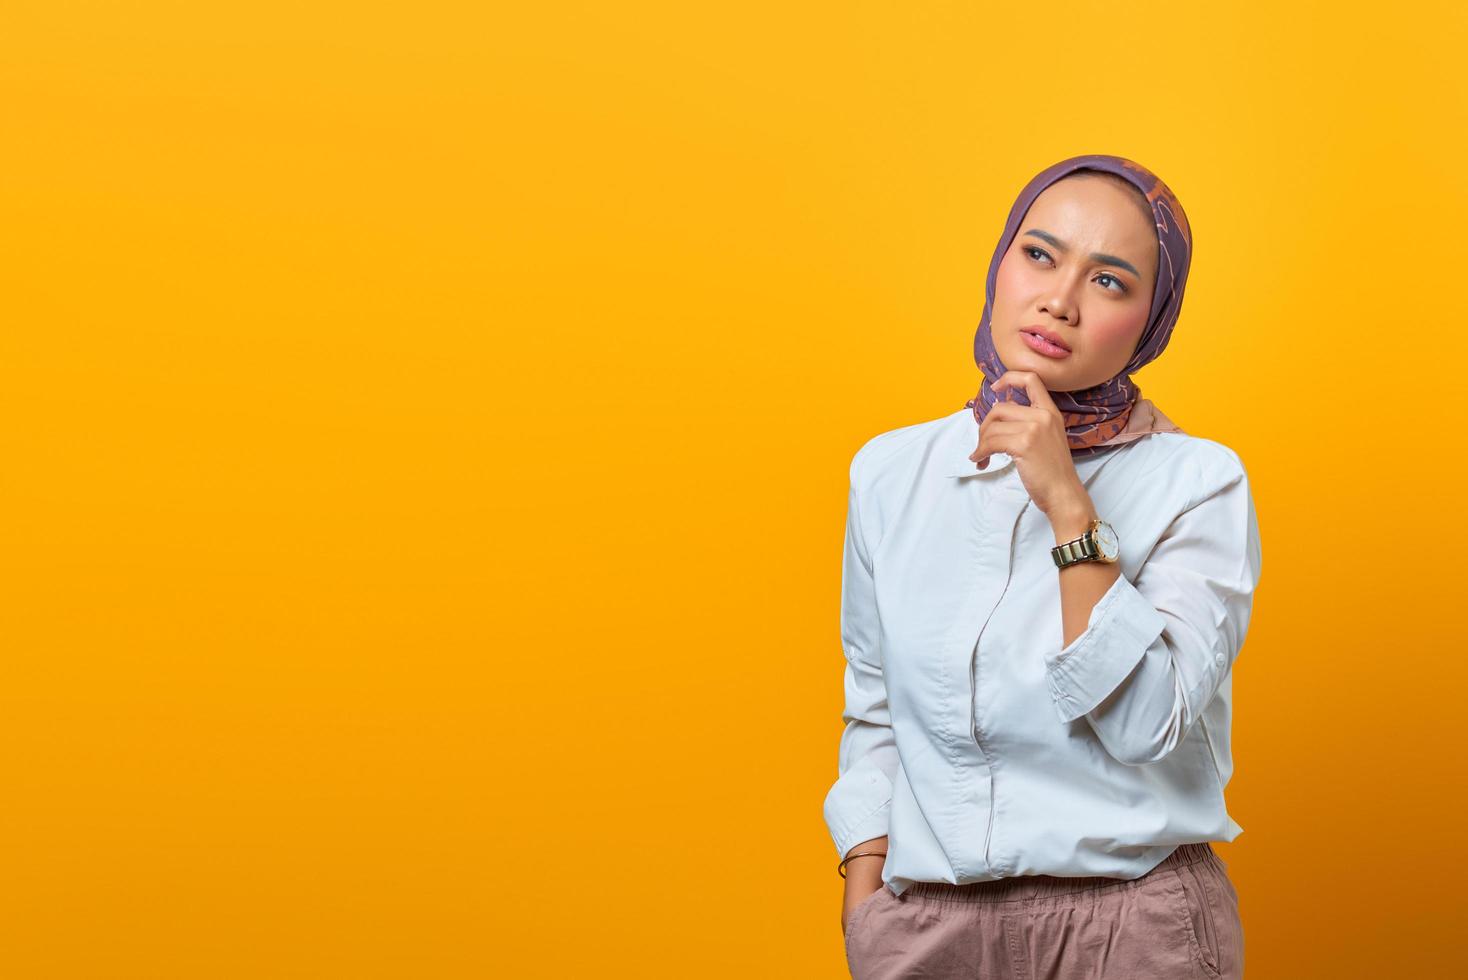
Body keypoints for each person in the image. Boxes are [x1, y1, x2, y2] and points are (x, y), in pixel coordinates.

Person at [823, 154, 1261, 980]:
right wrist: (866, 880)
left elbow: (1143, 725)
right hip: (927, 930)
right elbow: (876, 707)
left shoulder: (1199, 482)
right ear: (1000, 264)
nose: (1058, 299)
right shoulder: (890, 472)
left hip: (1131, 928)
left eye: (1110, 281)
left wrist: (1067, 503)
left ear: (1150, 321)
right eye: (1039, 254)